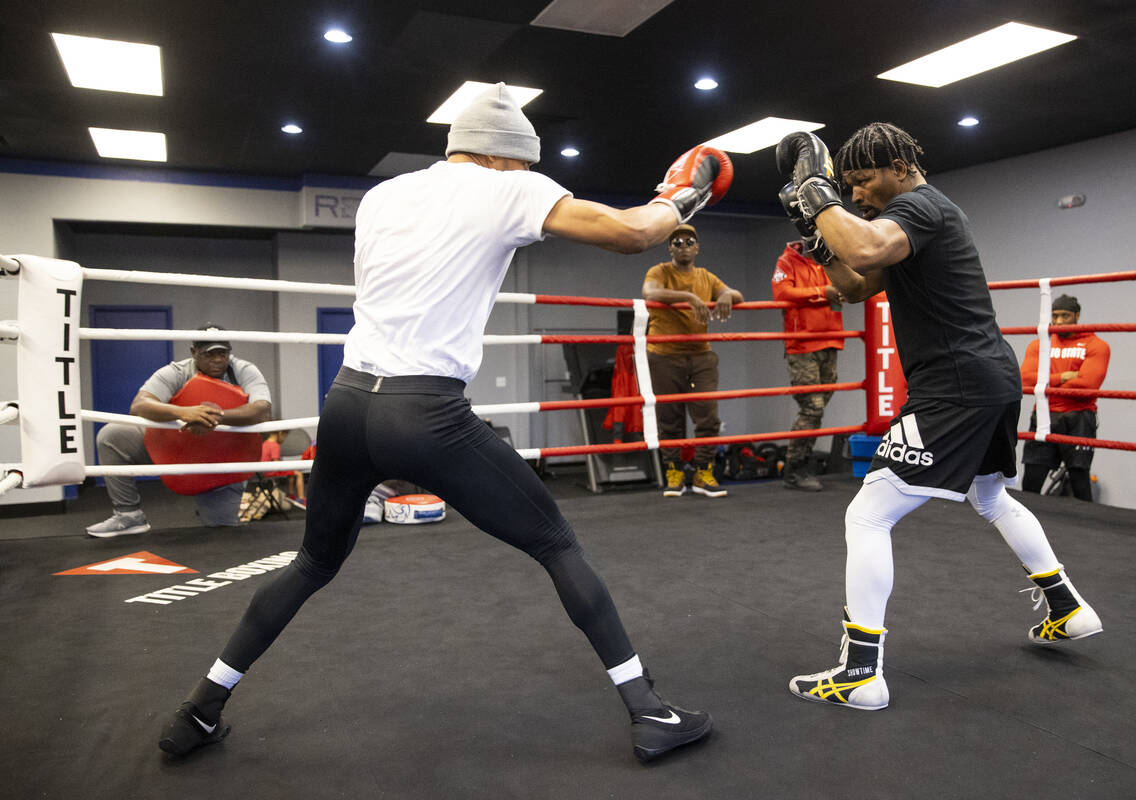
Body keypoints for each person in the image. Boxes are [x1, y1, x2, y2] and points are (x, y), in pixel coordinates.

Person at [158, 83, 730, 763]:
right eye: (522, 165)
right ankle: (648, 711)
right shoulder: (506, 187)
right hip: (424, 410)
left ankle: (198, 709)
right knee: (554, 543)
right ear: (501, 158)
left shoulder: (384, 196)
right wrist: (679, 196)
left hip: (346, 403)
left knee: (314, 561)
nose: (525, 178)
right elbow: (635, 233)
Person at [774, 122, 1102, 711]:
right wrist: (814, 233)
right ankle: (1067, 609)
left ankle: (861, 671)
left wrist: (818, 196)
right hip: (986, 378)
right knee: (991, 497)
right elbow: (856, 283)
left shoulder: (922, 206)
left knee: (868, 515)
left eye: (863, 180)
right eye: (846, 186)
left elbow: (866, 247)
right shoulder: (907, 224)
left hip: (956, 385)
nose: (857, 196)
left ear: (900, 165)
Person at [85, 325, 272, 537]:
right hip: (175, 450)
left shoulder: (243, 370)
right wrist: (183, 412)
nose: (218, 359)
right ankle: (129, 515)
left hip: (222, 460)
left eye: (223, 353)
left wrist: (212, 417)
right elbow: (139, 406)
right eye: (209, 354)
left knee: (222, 536)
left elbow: (262, 410)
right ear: (194, 353)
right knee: (112, 435)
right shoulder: (177, 372)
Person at [642, 223, 744, 498]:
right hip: (665, 355)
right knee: (669, 418)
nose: (683, 246)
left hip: (700, 355)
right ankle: (674, 473)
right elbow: (649, 293)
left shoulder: (706, 276)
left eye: (689, 242)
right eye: (677, 242)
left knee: (708, 416)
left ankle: (703, 473)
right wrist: (688, 297)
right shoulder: (659, 272)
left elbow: (737, 295)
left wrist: (723, 295)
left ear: (697, 248)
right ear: (670, 248)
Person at [1019, 294, 1110, 501]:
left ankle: (1088, 530)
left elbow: (1087, 385)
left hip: (1078, 418)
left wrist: (1046, 382)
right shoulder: (1040, 344)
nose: (1059, 321)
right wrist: (1063, 377)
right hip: (1043, 415)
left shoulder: (1095, 344)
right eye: (1055, 316)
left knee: (1079, 480)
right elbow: (1025, 379)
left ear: (1077, 316)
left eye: (1065, 316)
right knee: (1031, 480)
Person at [771, 239, 845, 491]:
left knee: (819, 407)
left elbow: (848, 285)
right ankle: (796, 468)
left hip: (830, 341)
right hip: (803, 346)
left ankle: (800, 464)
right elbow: (781, 293)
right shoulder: (787, 261)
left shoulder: (831, 259)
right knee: (812, 409)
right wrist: (823, 293)